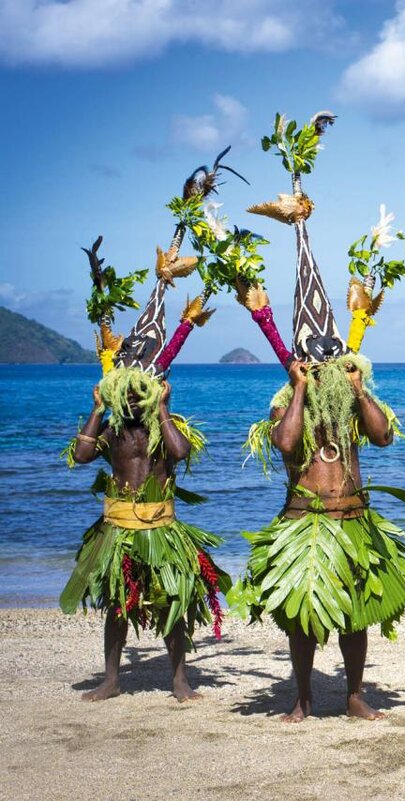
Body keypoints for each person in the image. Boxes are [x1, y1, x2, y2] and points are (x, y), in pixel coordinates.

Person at [230, 109, 405, 722]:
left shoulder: (352, 390)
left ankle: (354, 695)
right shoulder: (283, 400)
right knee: (302, 619)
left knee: (356, 613)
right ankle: (300, 697)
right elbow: (287, 443)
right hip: (304, 520)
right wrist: (294, 388)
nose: (324, 374)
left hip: (354, 517)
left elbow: (385, 438)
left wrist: (359, 386)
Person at [62, 228, 228, 703]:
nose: (133, 396)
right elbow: (81, 456)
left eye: (141, 390)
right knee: (117, 602)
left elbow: (179, 455)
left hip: (160, 525)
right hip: (117, 523)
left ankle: (179, 679)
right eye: (127, 391)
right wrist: (96, 407)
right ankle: (111, 678)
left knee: (174, 600)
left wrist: (161, 410)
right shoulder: (113, 429)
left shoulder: (164, 425)